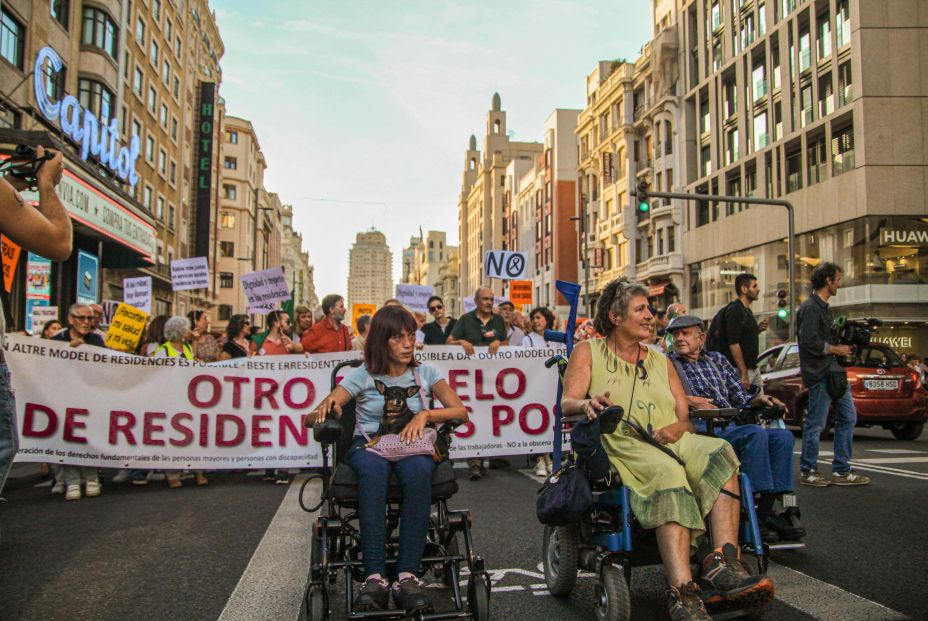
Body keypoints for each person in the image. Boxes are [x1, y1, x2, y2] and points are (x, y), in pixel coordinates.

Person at [560, 277, 774, 620]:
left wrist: (677, 427)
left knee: (720, 451)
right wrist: (586, 403)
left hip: (670, 438)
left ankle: (722, 561)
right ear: (616, 317)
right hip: (623, 443)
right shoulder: (589, 352)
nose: (650, 316)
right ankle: (682, 593)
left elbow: (685, 420)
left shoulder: (661, 361)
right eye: (641, 309)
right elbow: (566, 402)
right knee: (668, 471)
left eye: (650, 309)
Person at [309, 306, 468, 614]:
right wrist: (328, 408)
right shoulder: (363, 374)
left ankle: (407, 577)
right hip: (369, 446)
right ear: (382, 341)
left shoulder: (426, 373)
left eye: (411, 335)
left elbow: (459, 411)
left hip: (412, 447)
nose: (408, 343)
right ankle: (374, 577)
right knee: (373, 471)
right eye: (398, 337)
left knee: (420, 469)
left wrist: (426, 414)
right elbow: (311, 418)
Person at [667, 315, 804, 543]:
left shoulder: (717, 360)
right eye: (675, 334)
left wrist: (760, 399)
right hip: (700, 427)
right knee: (755, 434)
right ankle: (750, 516)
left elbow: (738, 395)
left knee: (782, 436)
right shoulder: (668, 363)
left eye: (685, 333)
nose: (679, 338)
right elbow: (662, 394)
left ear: (701, 337)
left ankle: (766, 511)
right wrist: (687, 399)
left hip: (730, 423)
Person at [797, 262, 870, 487]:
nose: (839, 283)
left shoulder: (824, 309)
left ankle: (841, 470)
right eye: (837, 279)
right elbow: (808, 341)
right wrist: (835, 348)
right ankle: (808, 470)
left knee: (848, 417)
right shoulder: (810, 307)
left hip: (835, 371)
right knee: (816, 424)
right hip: (820, 373)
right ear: (828, 281)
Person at [448, 287, 508, 480]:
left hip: (492, 378)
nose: (489, 302)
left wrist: (500, 343)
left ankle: (485, 456)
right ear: (476, 301)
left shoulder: (498, 321)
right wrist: (461, 343)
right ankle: (474, 462)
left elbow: (507, 345)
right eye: (485, 299)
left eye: (492, 299)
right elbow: (448, 342)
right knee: (472, 415)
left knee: (489, 416)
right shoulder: (465, 320)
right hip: (470, 380)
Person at [714, 274, 769, 391]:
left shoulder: (746, 310)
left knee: (762, 404)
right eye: (754, 286)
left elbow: (743, 337)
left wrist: (757, 329)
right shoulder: (735, 310)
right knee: (745, 406)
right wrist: (743, 373)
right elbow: (733, 342)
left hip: (753, 368)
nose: (758, 289)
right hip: (740, 370)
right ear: (744, 289)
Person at [524, 306, 556, 475]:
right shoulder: (528, 340)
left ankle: (550, 457)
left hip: (553, 385)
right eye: (533, 318)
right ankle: (542, 459)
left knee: (552, 421)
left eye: (539, 317)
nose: (535, 321)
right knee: (539, 420)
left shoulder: (557, 337)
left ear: (547, 319)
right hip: (535, 384)